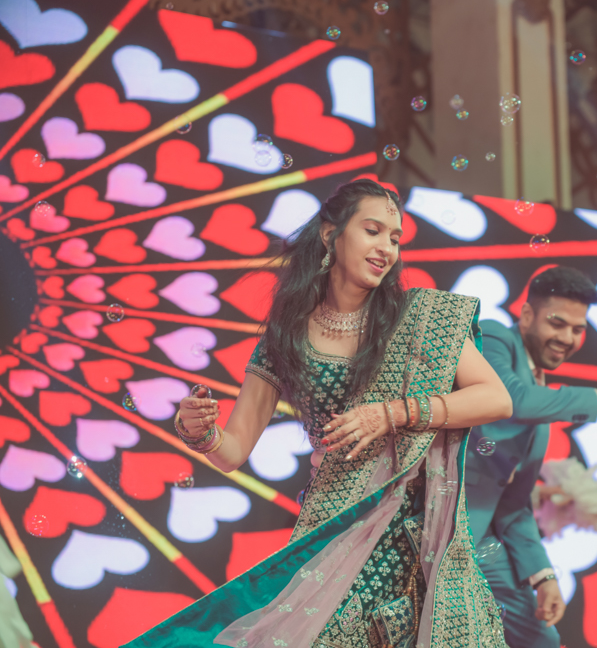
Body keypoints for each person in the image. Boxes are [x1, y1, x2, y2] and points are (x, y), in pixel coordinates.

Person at [125, 180, 513, 648]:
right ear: (331, 235)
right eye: (373, 231)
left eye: (395, 239)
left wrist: (391, 413)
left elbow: (496, 398)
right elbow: (232, 451)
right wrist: (201, 432)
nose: (387, 248)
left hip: (413, 536)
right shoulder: (286, 336)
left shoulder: (420, 317)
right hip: (334, 531)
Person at [466, 266, 597, 648]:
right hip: (433, 528)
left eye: (578, 329)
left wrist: (543, 576)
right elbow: (512, 401)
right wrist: (596, 399)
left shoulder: (541, 409)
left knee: (542, 641)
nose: (568, 338)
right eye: (558, 323)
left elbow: (512, 506)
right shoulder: (495, 337)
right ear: (526, 315)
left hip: (480, 542)